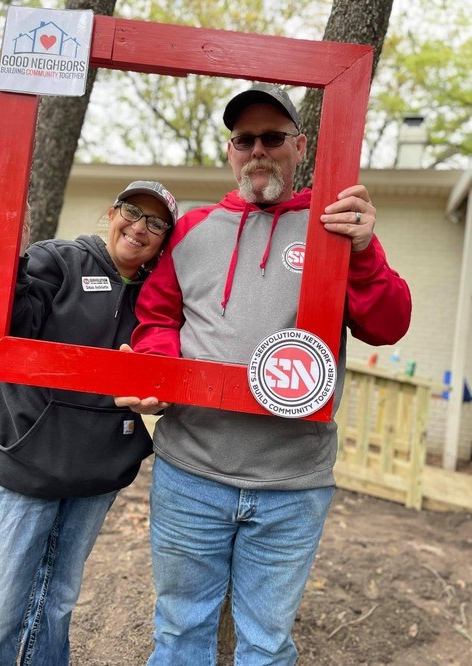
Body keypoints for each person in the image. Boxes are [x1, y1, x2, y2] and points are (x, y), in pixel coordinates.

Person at [116, 83, 412, 665]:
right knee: (179, 633)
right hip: (190, 473)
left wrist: (364, 251)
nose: (257, 151)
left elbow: (388, 325)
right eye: (244, 139)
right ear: (230, 152)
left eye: (272, 138)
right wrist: (159, 374)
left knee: (267, 645)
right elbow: (158, 317)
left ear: (300, 147)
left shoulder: (334, 229)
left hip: (292, 485)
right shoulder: (193, 230)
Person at [0, 181, 178, 665]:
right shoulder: (59, 261)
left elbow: (165, 373)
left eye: (155, 223)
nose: (140, 227)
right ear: (112, 213)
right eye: (132, 212)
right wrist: (7, 254)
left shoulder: (159, 300)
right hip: (24, 464)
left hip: (95, 477)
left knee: (57, 606)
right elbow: (8, 324)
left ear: (164, 241)